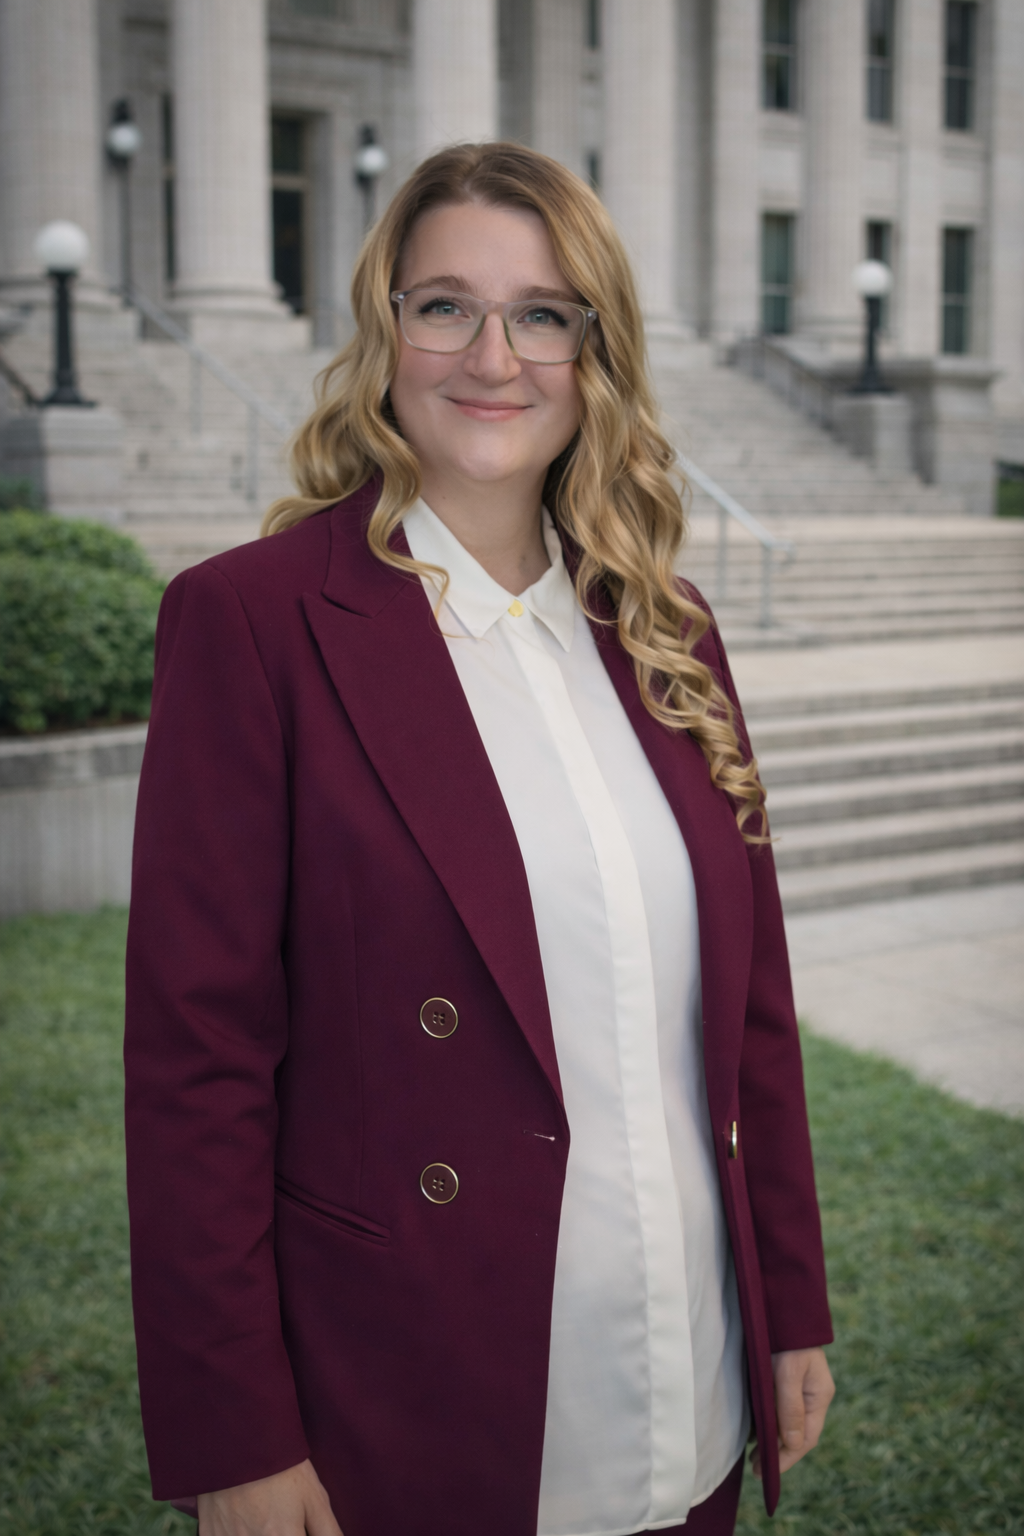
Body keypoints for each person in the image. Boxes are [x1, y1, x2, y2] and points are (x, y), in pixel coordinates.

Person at [124, 142, 834, 1536]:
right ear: (384, 330)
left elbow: (753, 1010)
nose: (493, 357)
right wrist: (236, 1432)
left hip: (687, 1363)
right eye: (445, 305)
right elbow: (196, 1062)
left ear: (594, 350)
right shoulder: (253, 623)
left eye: (543, 314)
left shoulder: (670, 629)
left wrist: (788, 1302)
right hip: (412, 1383)